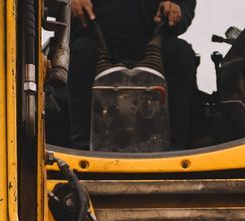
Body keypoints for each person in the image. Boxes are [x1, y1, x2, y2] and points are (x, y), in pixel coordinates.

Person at [67, 0, 198, 150]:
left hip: (153, 45)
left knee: (181, 53)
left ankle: (176, 150)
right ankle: (80, 150)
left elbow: (185, 6)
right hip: (94, 41)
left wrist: (176, 9)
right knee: (79, 53)